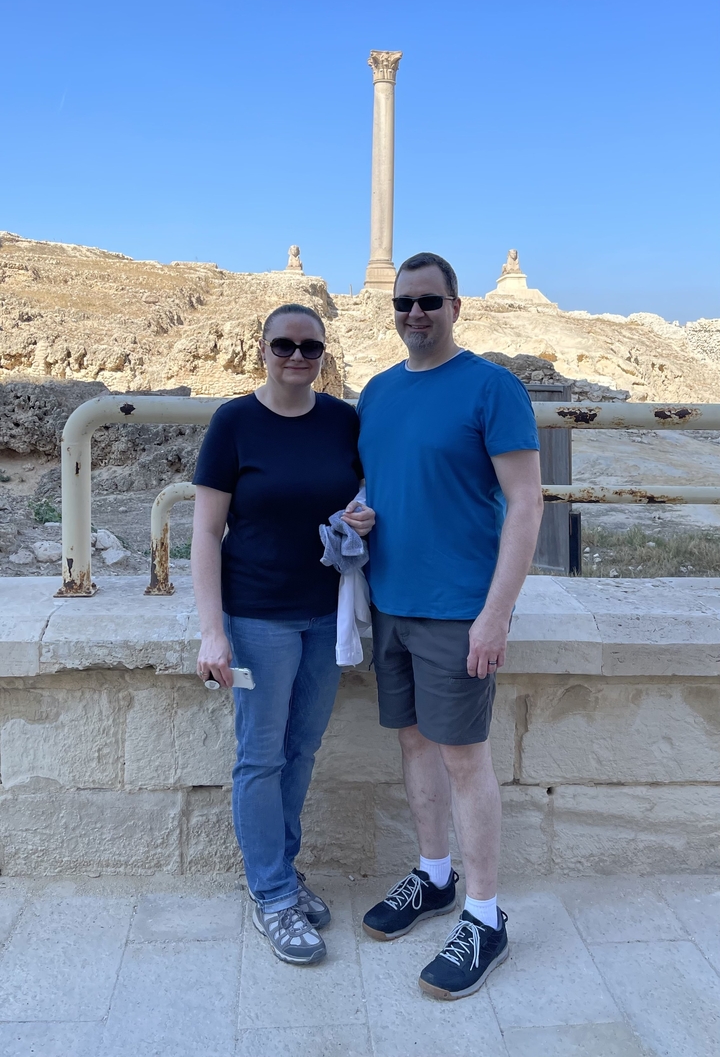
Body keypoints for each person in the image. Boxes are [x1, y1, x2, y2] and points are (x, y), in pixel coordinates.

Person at [357, 252, 543, 1001]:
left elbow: (527, 503)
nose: (415, 314)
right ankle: (435, 877)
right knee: (413, 745)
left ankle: (487, 917)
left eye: (429, 301)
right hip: (390, 602)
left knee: (465, 760)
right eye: (404, 302)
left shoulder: (492, 387)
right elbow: (380, 481)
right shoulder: (376, 393)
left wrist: (496, 613)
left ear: (456, 307)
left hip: (459, 609)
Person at [191, 302, 375, 966]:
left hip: (328, 617)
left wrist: (361, 516)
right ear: (261, 348)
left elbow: (368, 490)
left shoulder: (343, 422)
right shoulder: (234, 422)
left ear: (324, 354)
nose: (297, 357)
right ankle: (271, 893)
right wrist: (213, 633)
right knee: (260, 755)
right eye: (284, 345)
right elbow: (207, 533)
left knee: (300, 750)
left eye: (310, 347)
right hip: (258, 616)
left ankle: (282, 872)